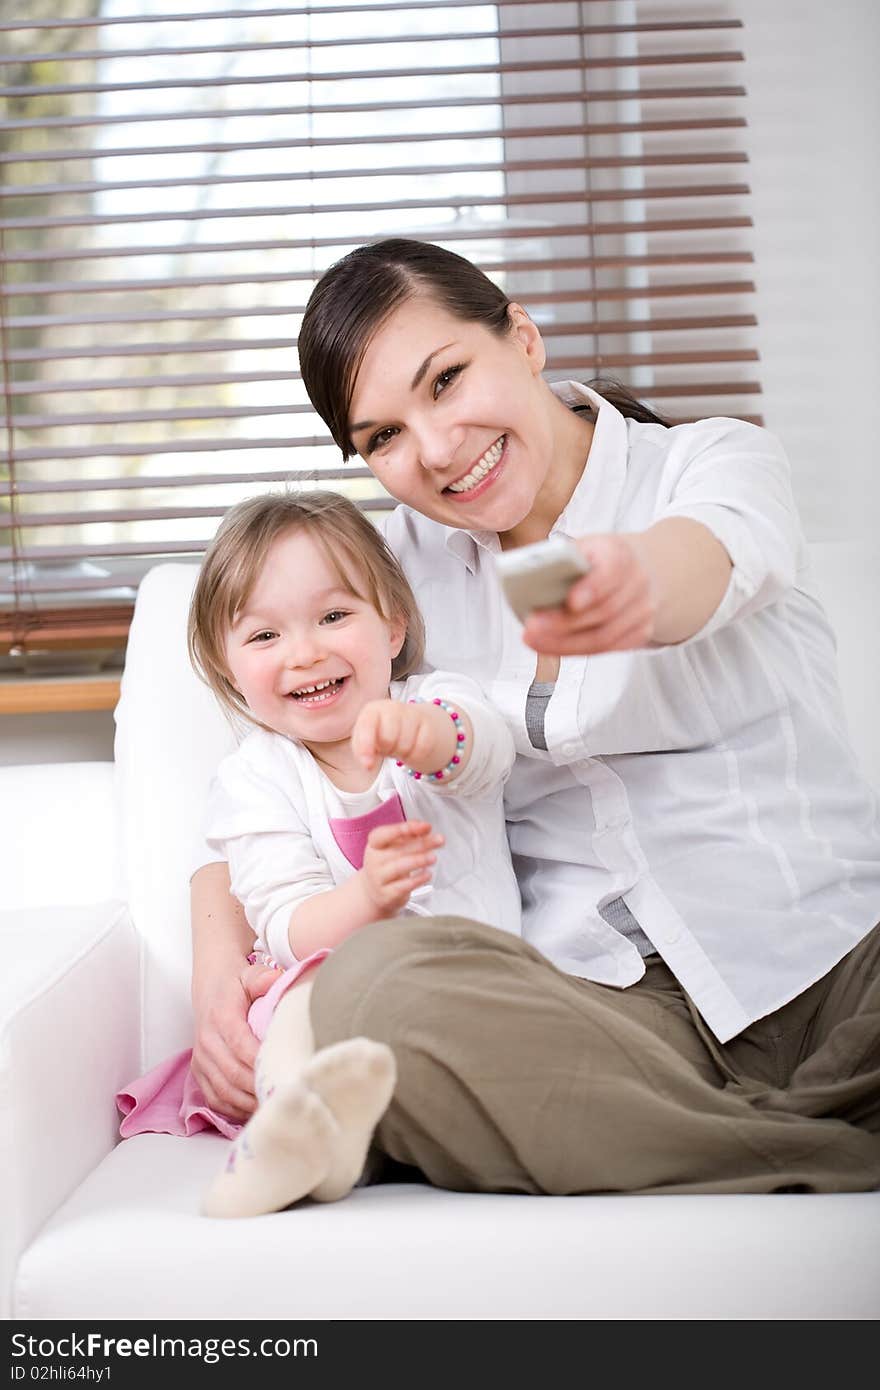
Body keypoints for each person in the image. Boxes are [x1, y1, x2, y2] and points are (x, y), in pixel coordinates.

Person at [189, 237, 880, 1195]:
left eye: (446, 380)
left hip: (829, 954)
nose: (433, 451)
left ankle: (727, 1146)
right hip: (600, 1009)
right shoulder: (388, 579)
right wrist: (216, 973)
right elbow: (270, 771)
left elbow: (705, 559)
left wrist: (626, 578)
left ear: (522, 338)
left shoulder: (707, 462)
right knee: (372, 991)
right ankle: (828, 1147)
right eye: (382, 436)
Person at [117, 489, 520, 1216]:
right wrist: (366, 900)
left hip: (472, 990)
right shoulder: (253, 779)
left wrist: (427, 737)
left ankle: (334, 1149)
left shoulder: (435, 704)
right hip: (344, 1004)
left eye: (334, 617)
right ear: (226, 664)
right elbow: (285, 921)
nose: (306, 652)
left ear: (393, 626)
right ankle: (294, 1137)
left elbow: (483, 750)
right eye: (265, 636)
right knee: (295, 993)